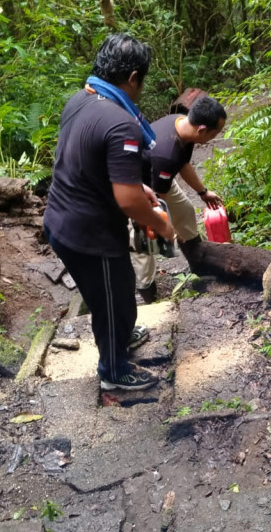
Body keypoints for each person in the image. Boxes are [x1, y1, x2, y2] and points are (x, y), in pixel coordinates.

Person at [43, 34, 175, 391]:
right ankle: (114, 372)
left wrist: (136, 184)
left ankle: (121, 333)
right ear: (133, 77)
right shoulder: (121, 122)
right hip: (88, 235)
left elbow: (86, 158)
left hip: (62, 219)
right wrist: (161, 224)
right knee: (113, 300)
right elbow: (128, 202)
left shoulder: (82, 99)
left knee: (118, 288)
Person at [134, 95, 227, 303]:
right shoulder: (167, 152)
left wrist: (203, 192)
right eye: (215, 133)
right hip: (136, 188)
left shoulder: (182, 124)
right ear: (202, 129)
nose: (215, 137)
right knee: (147, 244)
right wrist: (164, 227)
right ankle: (149, 295)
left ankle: (198, 263)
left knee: (184, 212)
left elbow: (183, 164)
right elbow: (158, 201)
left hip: (160, 178)